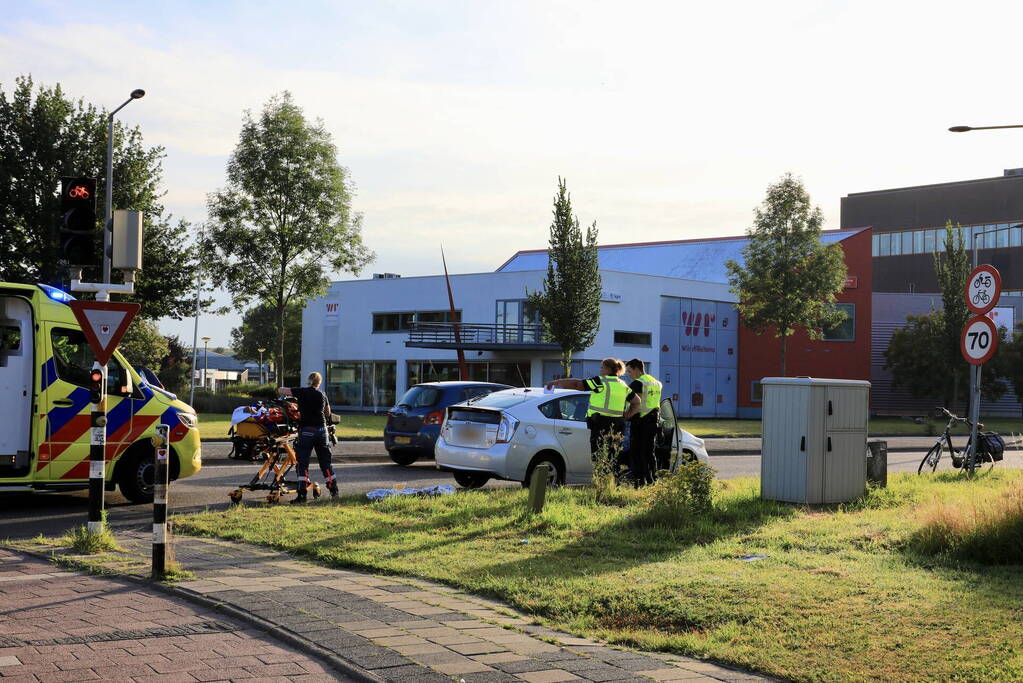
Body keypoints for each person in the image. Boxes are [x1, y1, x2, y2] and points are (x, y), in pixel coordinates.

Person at [546, 358, 640, 465]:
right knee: (613, 457)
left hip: (600, 425)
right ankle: (612, 480)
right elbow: (637, 402)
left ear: (608, 369)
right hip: (617, 425)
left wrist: (556, 382)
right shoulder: (623, 385)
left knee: (598, 456)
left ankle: (601, 479)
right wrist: (628, 414)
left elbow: (577, 384)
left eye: (602, 367)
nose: (600, 370)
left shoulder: (600, 381)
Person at [278, 372, 338, 503]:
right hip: (322, 431)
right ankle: (334, 492)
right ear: (319, 382)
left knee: (302, 465)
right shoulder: (322, 394)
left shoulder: (302, 391)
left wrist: (289, 393)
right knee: (326, 463)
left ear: (308, 381)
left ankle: (302, 495)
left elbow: (281, 390)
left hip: (306, 431)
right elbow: (328, 412)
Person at [624, 358, 662, 486]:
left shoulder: (637, 384)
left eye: (629, 371)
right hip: (654, 421)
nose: (629, 375)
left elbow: (636, 404)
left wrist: (626, 415)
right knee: (649, 452)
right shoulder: (656, 382)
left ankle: (639, 483)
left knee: (637, 453)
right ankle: (652, 480)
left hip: (640, 422)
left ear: (636, 369)